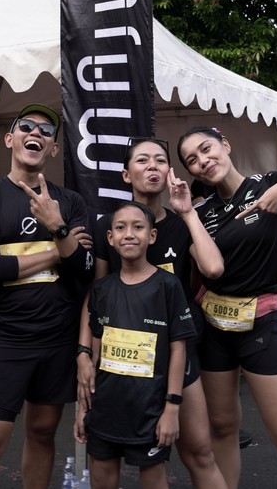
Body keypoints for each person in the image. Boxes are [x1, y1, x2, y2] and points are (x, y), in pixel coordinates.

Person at [76, 137, 227, 489]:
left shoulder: (182, 223)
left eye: (160, 160)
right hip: (121, 361)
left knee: (199, 452)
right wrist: (83, 352)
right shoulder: (109, 226)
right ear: (126, 174)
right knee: (108, 456)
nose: (152, 166)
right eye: (142, 160)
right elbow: (95, 294)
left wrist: (187, 213)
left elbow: (213, 268)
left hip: (176, 353)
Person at [0, 104, 95, 488]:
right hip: (3, 338)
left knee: (42, 433)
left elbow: (85, 269)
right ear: (10, 139)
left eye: (46, 131)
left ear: (53, 148)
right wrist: (59, 248)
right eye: (26, 126)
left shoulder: (70, 202)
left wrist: (57, 224)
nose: (36, 133)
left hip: (56, 339)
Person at [177, 125, 277, 489]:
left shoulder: (267, 184)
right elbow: (207, 268)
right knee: (222, 427)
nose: (203, 161)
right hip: (214, 329)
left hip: (262, 324)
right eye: (192, 160)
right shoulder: (201, 212)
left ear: (225, 145)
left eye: (206, 149)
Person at [74, 201, 197, 489]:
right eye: (120, 228)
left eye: (138, 227)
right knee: (101, 479)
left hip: (150, 411)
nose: (129, 234)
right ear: (110, 238)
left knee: (153, 479)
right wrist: (83, 410)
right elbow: (96, 354)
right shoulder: (102, 290)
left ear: (151, 236)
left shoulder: (168, 285)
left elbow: (178, 348)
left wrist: (172, 408)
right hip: (105, 410)